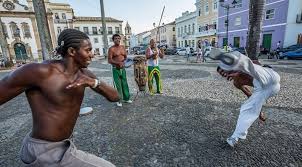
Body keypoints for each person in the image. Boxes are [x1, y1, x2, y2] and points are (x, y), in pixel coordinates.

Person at [0, 29, 119, 166]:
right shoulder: (39, 72)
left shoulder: (84, 74)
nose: (92, 55)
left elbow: (115, 97)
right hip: (44, 151)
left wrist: (94, 83)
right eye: (88, 50)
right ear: (72, 52)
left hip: (64, 145)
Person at [209, 48, 280, 147]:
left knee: (253, 68)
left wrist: (241, 71)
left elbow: (255, 67)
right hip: (265, 89)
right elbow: (250, 97)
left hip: (269, 76)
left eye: (224, 72)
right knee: (246, 109)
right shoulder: (237, 83)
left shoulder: (249, 66)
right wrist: (259, 112)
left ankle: (232, 57)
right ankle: (234, 138)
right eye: (222, 75)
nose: (225, 75)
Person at [108, 34, 132, 107]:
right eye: (116, 38)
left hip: (123, 69)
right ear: (113, 40)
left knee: (124, 83)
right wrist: (118, 63)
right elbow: (109, 60)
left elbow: (125, 57)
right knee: (118, 85)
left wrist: (125, 63)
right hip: (115, 69)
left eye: (119, 38)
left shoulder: (123, 47)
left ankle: (126, 98)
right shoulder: (111, 49)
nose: (118, 40)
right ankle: (118, 100)